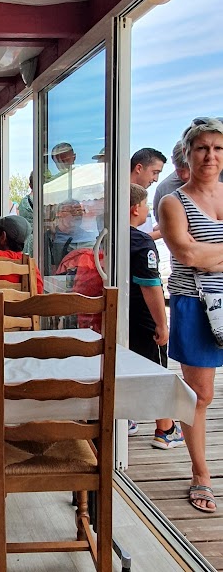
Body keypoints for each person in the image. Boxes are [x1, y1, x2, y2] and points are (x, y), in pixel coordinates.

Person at [159, 117, 223, 513]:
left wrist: (209, 256)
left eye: (218, 148)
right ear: (188, 153)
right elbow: (186, 255)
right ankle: (201, 474)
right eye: (202, 148)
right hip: (195, 303)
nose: (210, 156)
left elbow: (203, 254)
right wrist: (203, 257)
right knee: (201, 395)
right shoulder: (173, 201)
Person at [127, 183, 185, 449]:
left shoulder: (108, 238)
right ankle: (166, 428)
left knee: (124, 366)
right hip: (142, 316)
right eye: (147, 205)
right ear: (135, 208)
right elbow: (150, 285)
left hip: (122, 315)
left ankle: (125, 418)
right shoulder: (140, 241)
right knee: (156, 369)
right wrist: (162, 324)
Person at [130, 148, 167, 239]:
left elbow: (142, 232)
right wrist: (168, 231)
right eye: (155, 172)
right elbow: (131, 239)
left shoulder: (139, 195)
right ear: (139, 168)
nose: (156, 179)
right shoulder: (124, 197)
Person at [18, 171, 34, 255]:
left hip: (27, 241)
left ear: (30, 185)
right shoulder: (45, 201)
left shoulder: (23, 202)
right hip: (40, 241)